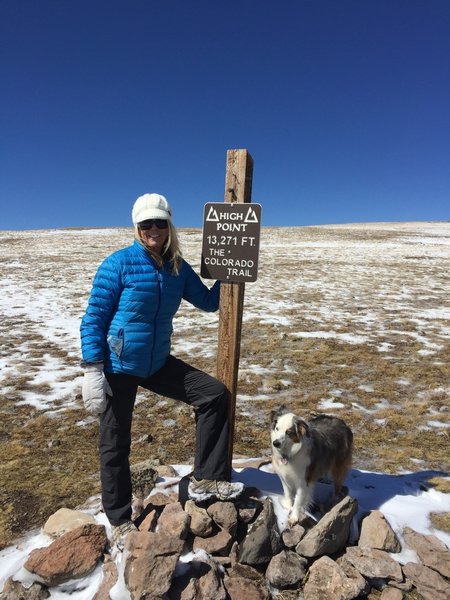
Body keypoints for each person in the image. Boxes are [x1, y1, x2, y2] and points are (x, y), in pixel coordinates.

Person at [80, 193, 244, 546]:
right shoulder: (118, 264)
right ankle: (120, 518)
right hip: (118, 366)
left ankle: (206, 478)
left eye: (159, 222)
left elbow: (208, 302)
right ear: (137, 227)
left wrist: (230, 270)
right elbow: (93, 319)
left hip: (156, 363)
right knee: (115, 442)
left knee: (214, 395)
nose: (153, 229)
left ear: (169, 226)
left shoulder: (177, 268)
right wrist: (92, 368)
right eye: (146, 224)